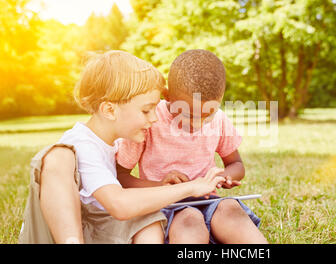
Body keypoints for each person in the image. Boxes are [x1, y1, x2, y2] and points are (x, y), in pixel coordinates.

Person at [18, 50, 226, 244]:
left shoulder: (113, 144)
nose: (154, 118)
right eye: (146, 111)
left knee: (149, 219)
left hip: (95, 228)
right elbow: (120, 205)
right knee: (59, 156)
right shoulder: (81, 144)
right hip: (54, 236)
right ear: (109, 109)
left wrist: (162, 186)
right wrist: (190, 187)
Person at [116, 49, 268, 244]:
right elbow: (121, 176)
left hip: (207, 201)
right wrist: (161, 185)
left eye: (208, 115)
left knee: (230, 208)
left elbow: (237, 165)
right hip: (168, 205)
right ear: (167, 96)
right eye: (187, 115)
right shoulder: (149, 121)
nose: (197, 124)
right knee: (190, 219)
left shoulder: (219, 120)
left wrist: (223, 177)